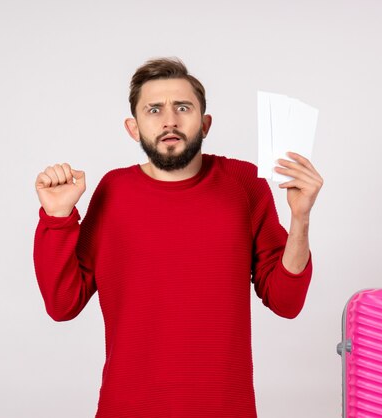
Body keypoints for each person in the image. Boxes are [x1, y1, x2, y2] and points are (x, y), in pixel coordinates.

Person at [33, 57, 323, 418]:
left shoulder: (245, 184)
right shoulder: (114, 190)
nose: (169, 119)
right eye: (154, 110)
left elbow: (286, 301)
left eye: (182, 107)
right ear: (133, 128)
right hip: (128, 408)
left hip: (224, 409)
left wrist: (301, 217)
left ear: (204, 123)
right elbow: (63, 304)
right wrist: (57, 218)